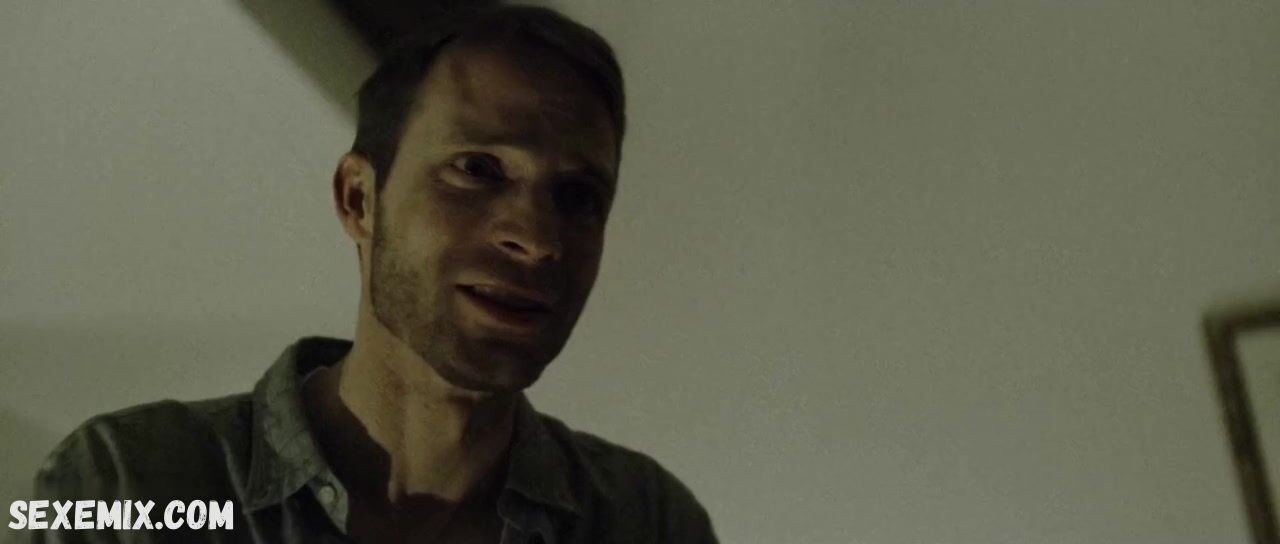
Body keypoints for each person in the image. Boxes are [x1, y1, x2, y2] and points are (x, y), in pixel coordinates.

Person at [26, 5, 717, 543]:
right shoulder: (129, 486)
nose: (537, 240)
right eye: (477, 169)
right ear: (360, 199)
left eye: (579, 197)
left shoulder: (645, 522)